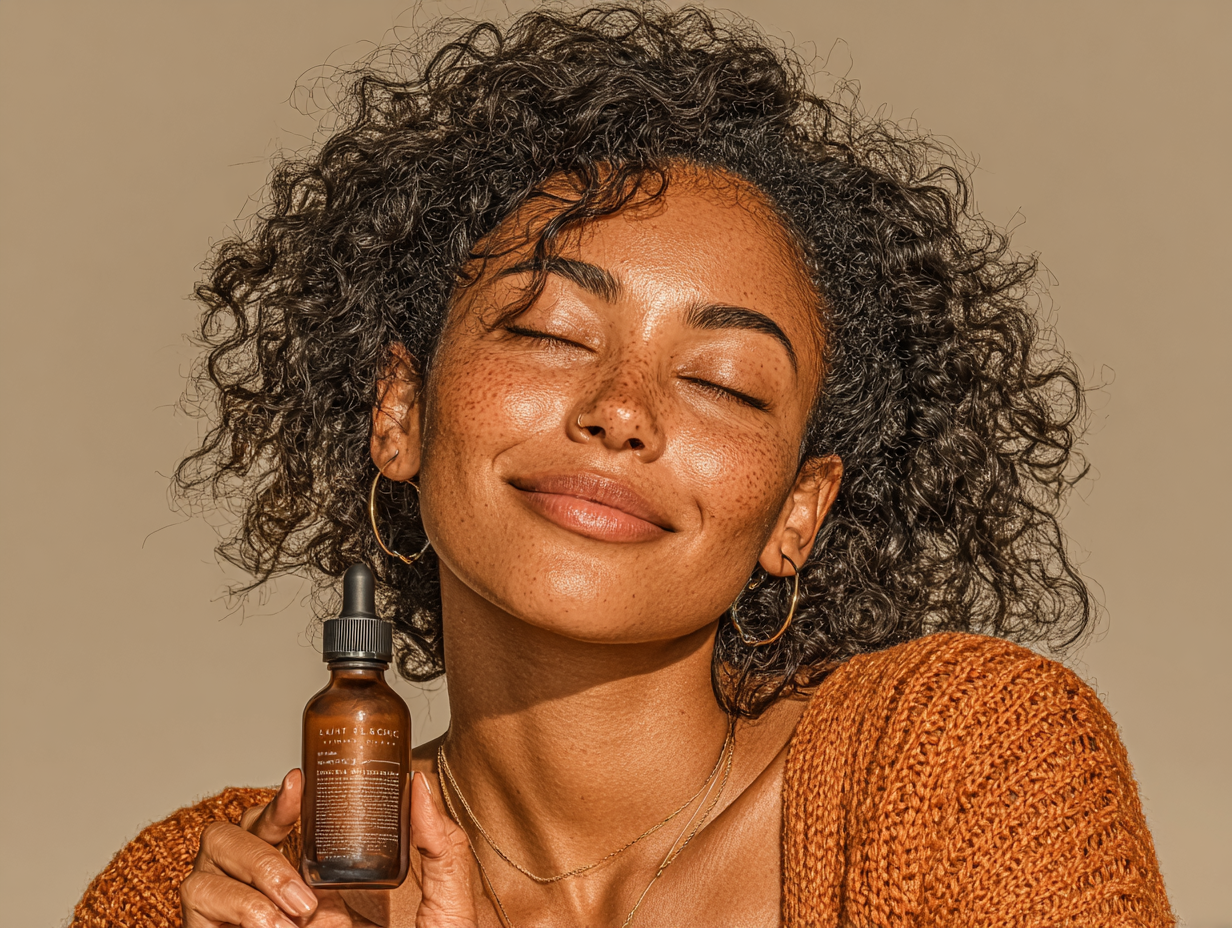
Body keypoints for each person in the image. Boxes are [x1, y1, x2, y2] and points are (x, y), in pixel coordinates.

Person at [73, 5, 1173, 927]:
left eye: (725, 384)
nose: (619, 413)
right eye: (547, 332)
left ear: (800, 508)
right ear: (398, 411)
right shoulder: (207, 892)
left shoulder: (957, 764)